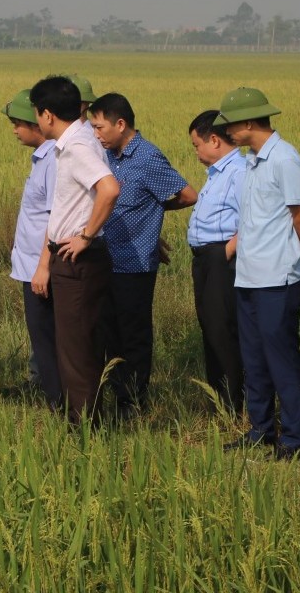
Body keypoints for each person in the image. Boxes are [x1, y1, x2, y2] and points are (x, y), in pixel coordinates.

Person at [215, 87, 300, 460]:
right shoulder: (254, 160)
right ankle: (261, 430)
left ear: (247, 122)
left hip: (278, 277)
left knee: (281, 358)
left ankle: (293, 440)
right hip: (249, 275)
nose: (225, 131)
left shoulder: (285, 159)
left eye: (228, 124)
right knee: (254, 357)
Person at [88, 93, 197, 420]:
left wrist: (153, 212)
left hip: (134, 262)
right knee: (110, 334)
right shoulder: (110, 156)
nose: (96, 134)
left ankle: (133, 404)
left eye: (100, 127)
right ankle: (115, 395)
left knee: (133, 335)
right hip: (108, 259)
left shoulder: (147, 157)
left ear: (121, 124)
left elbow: (188, 194)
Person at [30, 76, 120, 425]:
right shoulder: (75, 142)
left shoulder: (79, 146)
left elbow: (109, 189)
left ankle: (85, 429)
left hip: (78, 259)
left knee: (77, 350)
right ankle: (81, 420)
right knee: (74, 344)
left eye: (37, 114)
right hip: (69, 257)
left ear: (47, 115)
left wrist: (84, 235)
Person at [2, 88, 61, 408]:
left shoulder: (54, 160)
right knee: (42, 338)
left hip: (42, 268)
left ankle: (59, 404)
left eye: (17, 123)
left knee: (48, 338)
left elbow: (56, 218)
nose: (14, 130)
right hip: (31, 266)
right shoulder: (42, 159)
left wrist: (44, 267)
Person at [187, 110, 246, 415]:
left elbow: (252, 217)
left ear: (214, 140)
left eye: (197, 145)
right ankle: (219, 401)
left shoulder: (238, 171)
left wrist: (226, 251)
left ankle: (233, 404)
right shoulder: (218, 173)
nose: (196, 151)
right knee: (210, 327)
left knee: (222, 330)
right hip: (207, 259)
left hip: (222, 257)